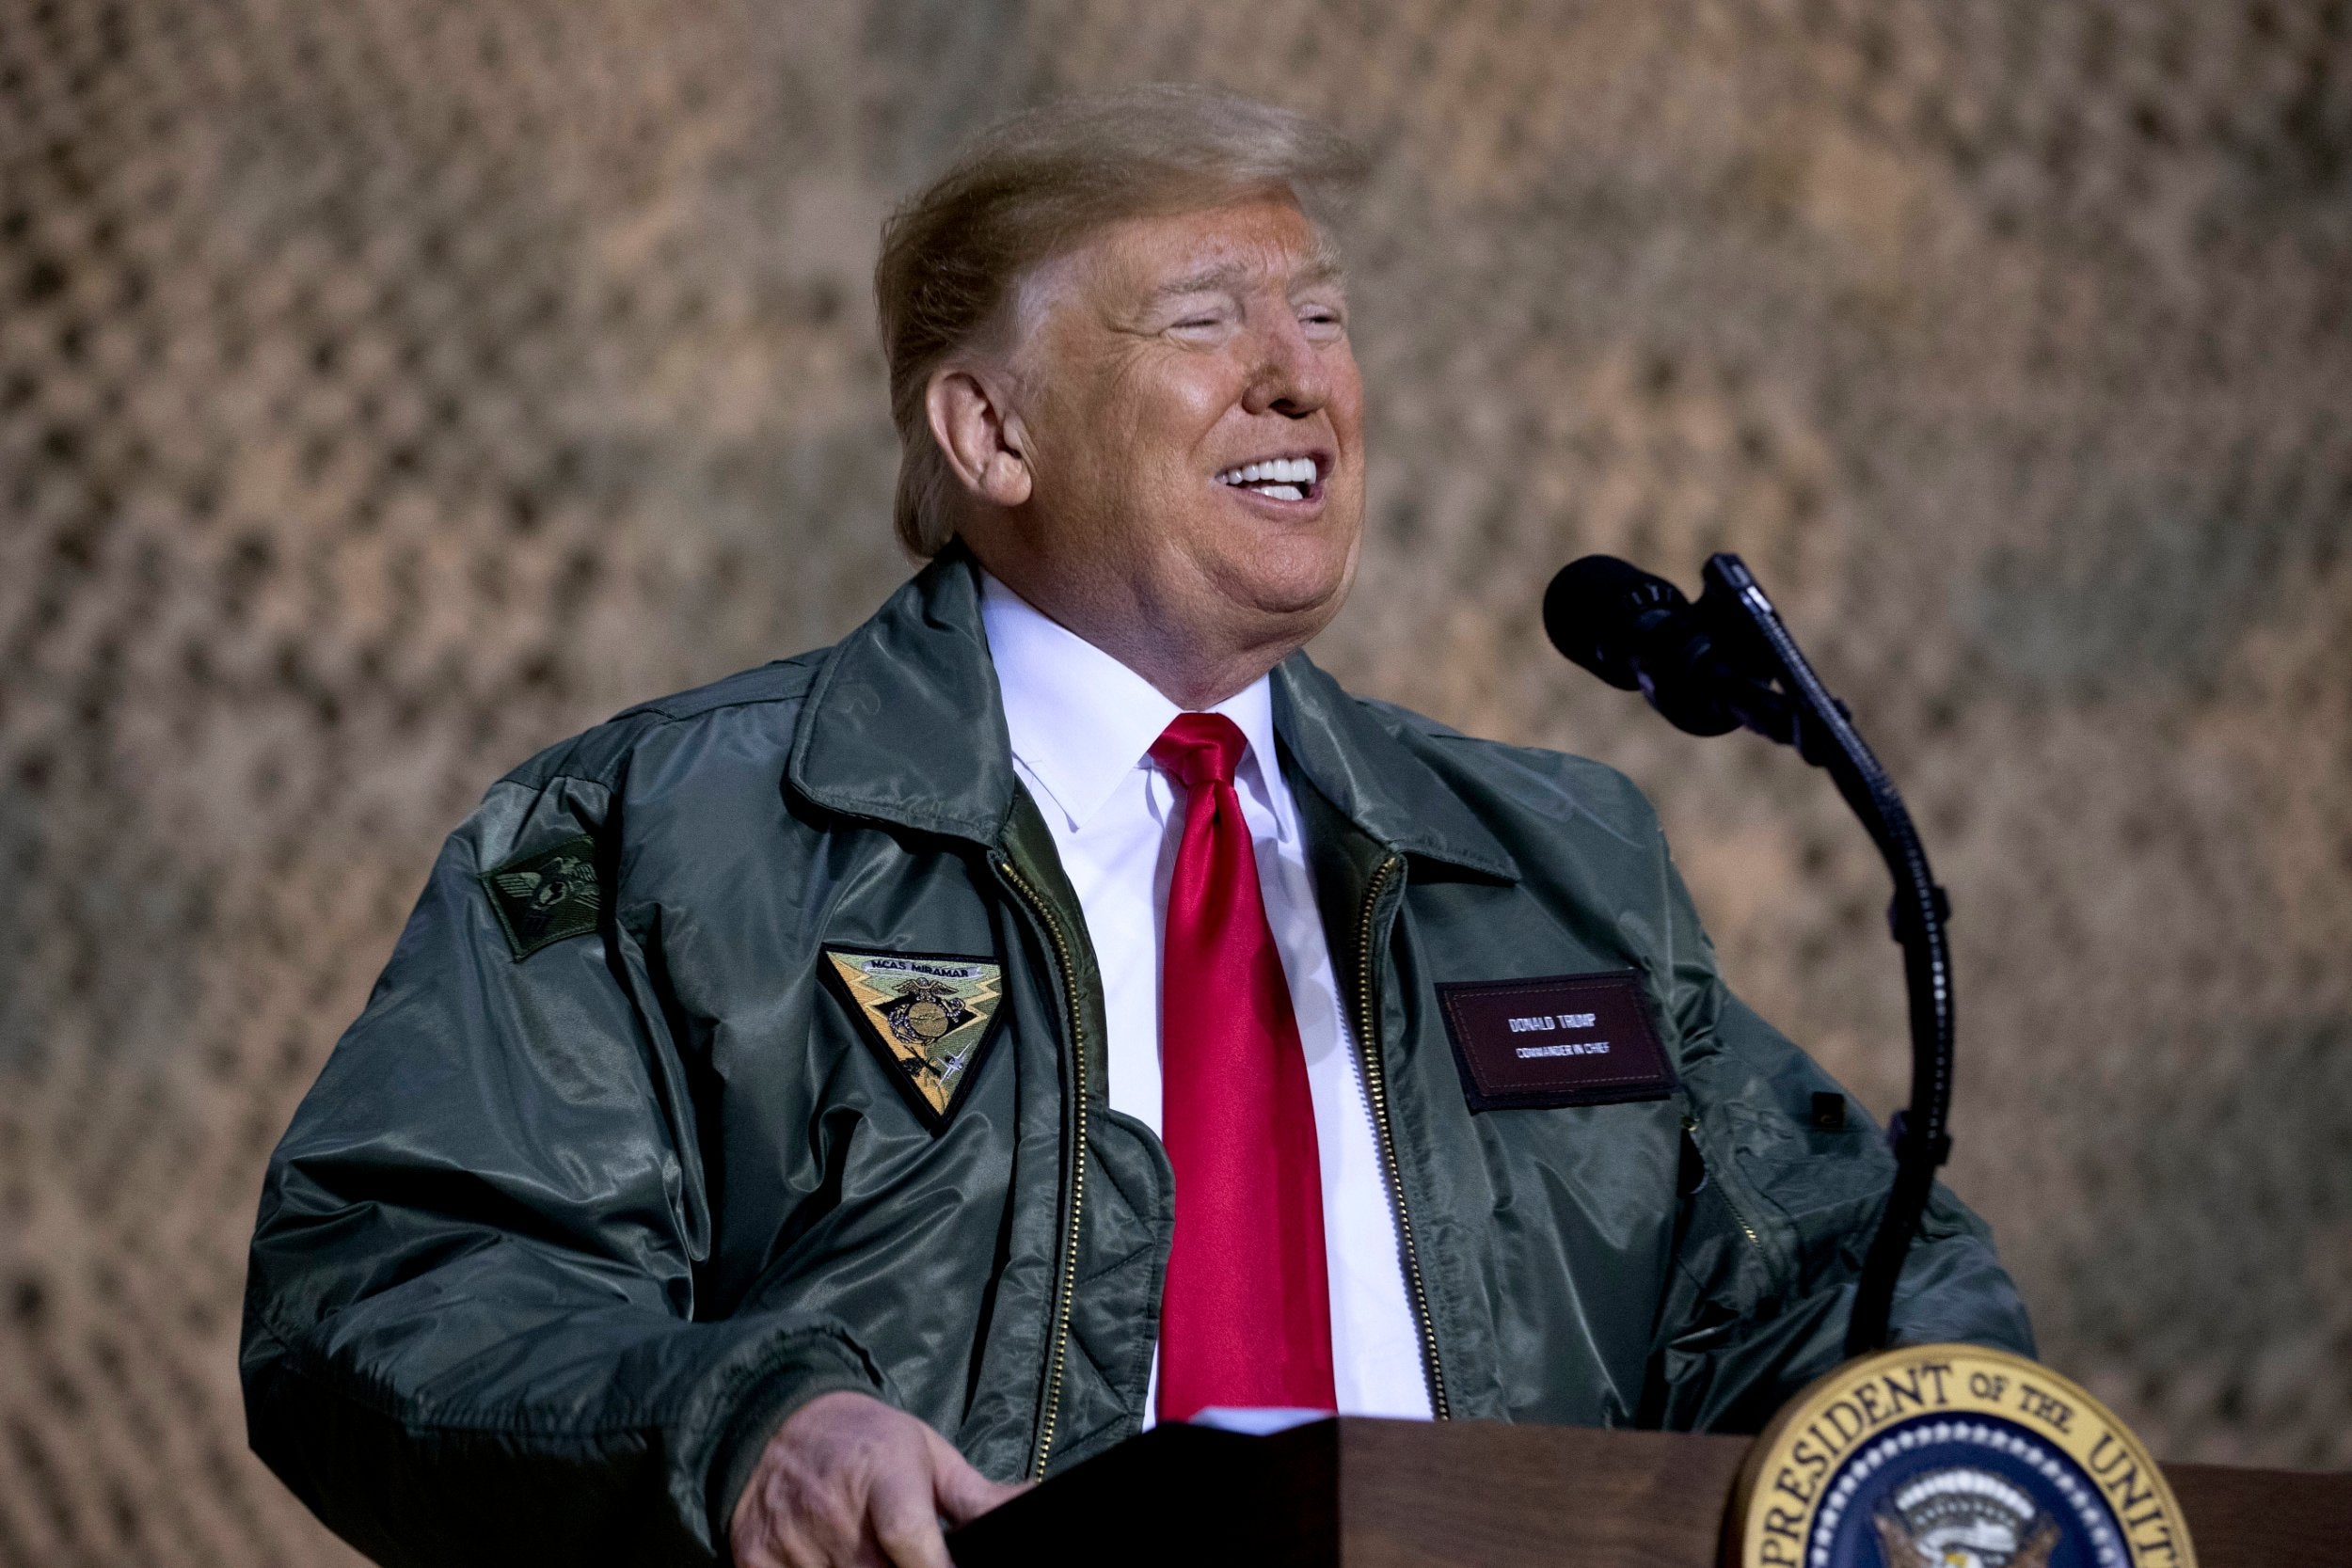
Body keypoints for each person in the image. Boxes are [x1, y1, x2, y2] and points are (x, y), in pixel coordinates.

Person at [241, 85, 2031, 1568]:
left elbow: (1837, 1286)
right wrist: (745, 1432)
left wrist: (1947, 1460)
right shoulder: (661, 835)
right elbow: (391, 1290)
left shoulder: (1560, 864)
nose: (1299, 378)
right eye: (1204, 321)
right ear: (990, 433)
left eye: (1321, 317)